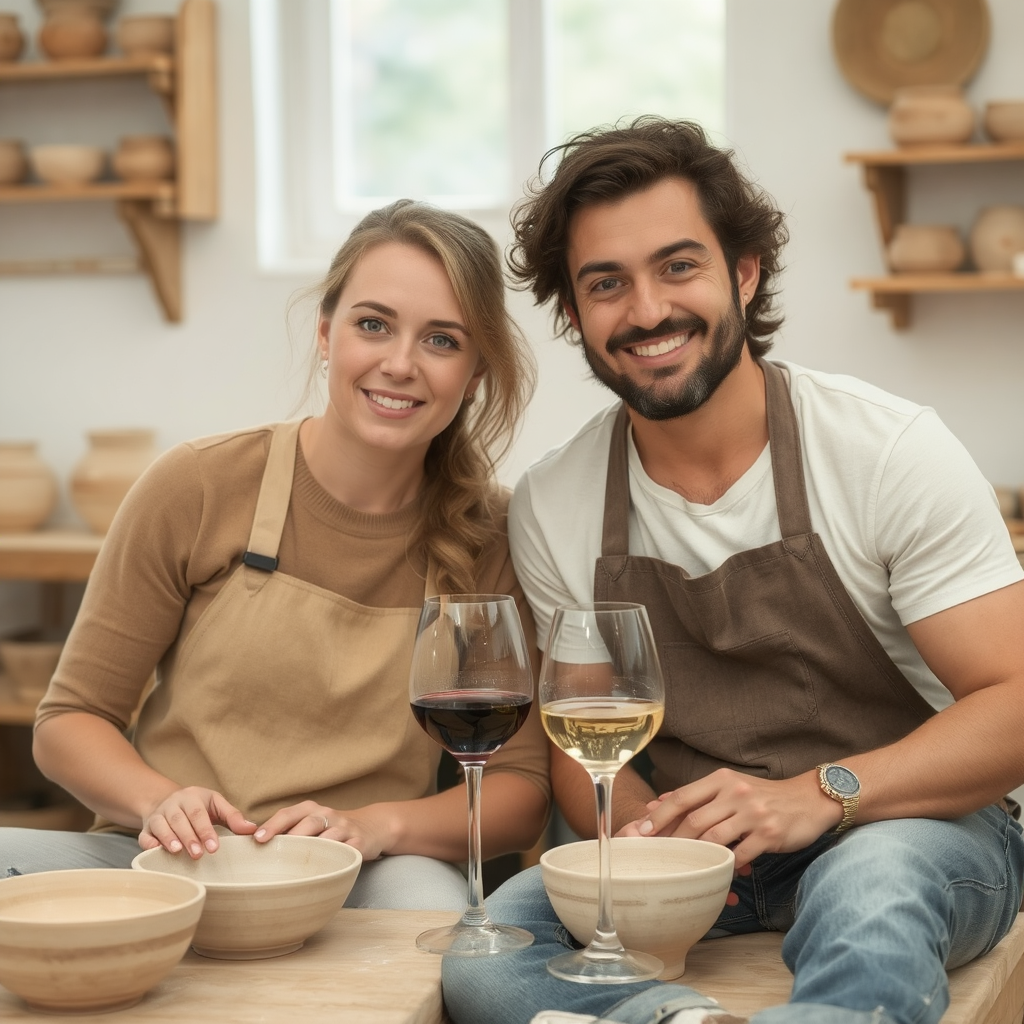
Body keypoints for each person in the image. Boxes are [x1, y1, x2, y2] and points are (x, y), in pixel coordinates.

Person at [442, 118, 1024, 1024]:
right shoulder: (556, 501)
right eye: (606, 284)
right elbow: (578, 738)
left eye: (679, 267)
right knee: (491, 955)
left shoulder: (885, 452)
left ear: (743, 274)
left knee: (869, 894)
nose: (645, 311)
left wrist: (821, 797)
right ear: (573, 315)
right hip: (695, 857)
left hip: (905, 829)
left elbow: (1015, 701)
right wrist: (644, 843)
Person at [3, 200, 550, 911]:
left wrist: (375, 826)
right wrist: (162, 803)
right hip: (162, 860)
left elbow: (522, 793)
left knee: (434, 920)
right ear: (327, 334)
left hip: (362, 877)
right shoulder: (198, 485)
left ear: (476, 372)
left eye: (442, 340)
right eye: (373, 324)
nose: (399, 363)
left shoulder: (493, 533)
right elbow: (69, 721)